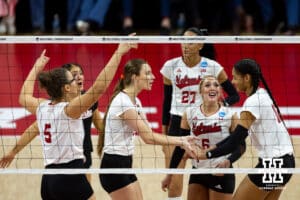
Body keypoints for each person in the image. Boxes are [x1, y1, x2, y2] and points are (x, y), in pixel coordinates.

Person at [17, 39, 137, 199]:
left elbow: (23, 96)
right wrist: (118, 53)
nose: (78, 81)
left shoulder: (42, 107)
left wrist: (36, 68)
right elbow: (99, 88)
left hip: (47, 180)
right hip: (70, 176)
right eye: (73, 79)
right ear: (66, 88)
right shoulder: (69, 110)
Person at [99, 58, 197, 200]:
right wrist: (181, 140)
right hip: (113, 166)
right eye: (148, 73)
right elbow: (148, 138)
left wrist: (179, 142)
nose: (153, 77)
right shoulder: (123, 102)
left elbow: (151, 134)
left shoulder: (135, 101)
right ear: (134, 77)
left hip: (125, 164)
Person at [160, 27, 240, 199]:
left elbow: (234, 95)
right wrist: (164, 132)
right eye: (183, 41)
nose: (185, 45)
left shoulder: (212, 66)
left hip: (203, 122)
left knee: (205, 166)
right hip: (177, 121)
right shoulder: (170, 66)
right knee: (173, 176)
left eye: (191, 42)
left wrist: (222, 104)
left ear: (200, 45)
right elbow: (166, 100)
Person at [199, 59, 295, 200]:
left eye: (235, 77)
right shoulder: (262, 93)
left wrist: (207, 154)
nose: (232, 81)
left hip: (273, 163)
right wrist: (212, 149)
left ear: (247, 78)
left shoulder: (252, 102)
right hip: (287, 162)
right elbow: (236, 139)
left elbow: (234, 141)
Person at [0, 63, 103, 184]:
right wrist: (14, 151)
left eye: (81, 73)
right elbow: (33, 129)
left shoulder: (89, 101)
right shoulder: (55, 107)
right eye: (74, 75)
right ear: (66, 85)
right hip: (67, 162)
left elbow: (100, 125)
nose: (79, 77)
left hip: (83, 154)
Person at [161, 75, 245, 200]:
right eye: (207, 85)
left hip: (221, 172)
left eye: (216, 85)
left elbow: (241, 146)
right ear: (200, 91)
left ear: (220, 91)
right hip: (198, 171)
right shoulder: (189, 113)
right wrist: (170, 175)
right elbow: (180, 148)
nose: (213, 87)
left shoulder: (230, 115)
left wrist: (229, 161)